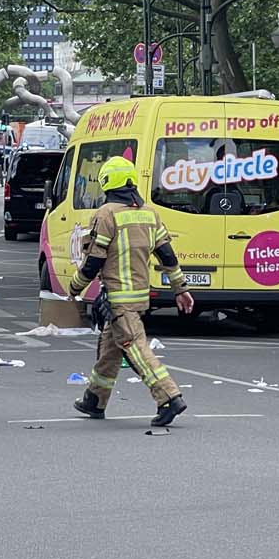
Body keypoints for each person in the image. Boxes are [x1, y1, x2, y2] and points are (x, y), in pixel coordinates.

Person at [67, 155, 194, 426]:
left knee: (134, 348)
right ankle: (94, 399)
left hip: (118, 298)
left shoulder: (106, 214)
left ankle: (169, 397)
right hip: (138, 296)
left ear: (106, 183)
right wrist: (180, 288)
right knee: (110, 349)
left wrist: (75, 287)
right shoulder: (150, 214)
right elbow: (167, 256)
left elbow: (93, 261)